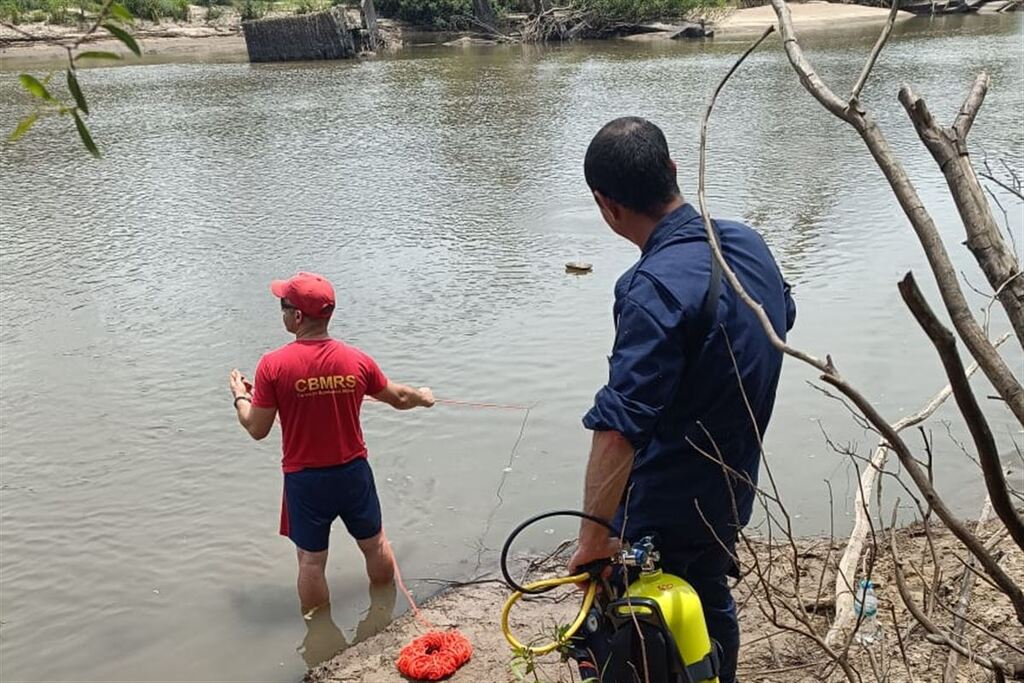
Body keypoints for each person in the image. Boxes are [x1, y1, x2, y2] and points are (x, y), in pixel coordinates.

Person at [567, 118, 796, 683]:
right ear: (672, 170)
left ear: (606, 205)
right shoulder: (746, 243)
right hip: (729, 485)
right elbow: (779, 319)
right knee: (708, 594)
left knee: (645, 631)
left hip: (663, 506)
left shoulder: (651, 288)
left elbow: (620, 425)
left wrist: (593, 538)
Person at [229, 272, 434, 616]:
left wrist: (239, 397)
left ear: (297, 317)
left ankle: (320, 637)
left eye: (284, 306)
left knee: (311, 562)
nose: (281, 312)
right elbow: (399, 397)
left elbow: (256, 428)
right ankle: (385, 613)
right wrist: (424, 398)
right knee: (375, 545)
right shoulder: (355, 360)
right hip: (352, 472)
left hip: (306, 479)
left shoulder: (273, 365)